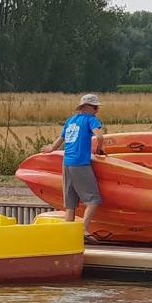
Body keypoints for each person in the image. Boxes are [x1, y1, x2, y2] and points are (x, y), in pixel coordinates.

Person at [41, 93, 105, 243]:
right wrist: (99, 150)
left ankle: (67, 236)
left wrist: (50, 149)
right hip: (80, 164)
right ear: (88, 107)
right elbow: (100, 137)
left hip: (67, 163)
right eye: (95, 107)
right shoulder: (91, 120)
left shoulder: (70, 121)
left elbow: (60, 139)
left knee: (70, 203)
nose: (97, 110)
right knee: (94, 200)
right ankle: (83, 229)